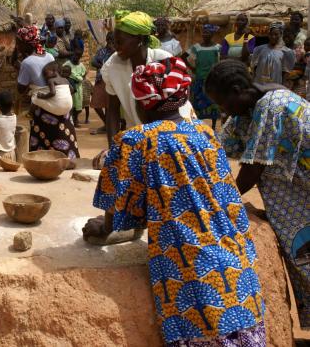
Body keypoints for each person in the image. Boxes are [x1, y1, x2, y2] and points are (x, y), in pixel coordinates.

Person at [85, 57, 266, 346]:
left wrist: (104, 227)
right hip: (240, 273)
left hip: (195, 286)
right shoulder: (206, 134)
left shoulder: (135, 141)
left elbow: (118, 200)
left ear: (143, 103)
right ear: (182, 98)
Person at [205, 59, 309, 332]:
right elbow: (215, 146)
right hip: (296, 200)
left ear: (238, 89)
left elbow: (252, 170)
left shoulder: (272, 107)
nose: (222, 110)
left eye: (222, 103)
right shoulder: (248, 110)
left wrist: (218, 201)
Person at [101, 10, 194, 147]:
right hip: (138, 135)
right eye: (115, 42)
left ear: (139, 39)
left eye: (120, 42)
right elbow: (113, 110)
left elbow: (183, 97)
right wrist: (112, 149)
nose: (116, 46)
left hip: (174, 134)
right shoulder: (112, 66)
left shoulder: (164, 60)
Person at [16, 25, 80, 159]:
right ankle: (69, 159)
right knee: (63, 136)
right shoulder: (50, 56)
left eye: (18, 42)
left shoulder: (26, 63)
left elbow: (21, 89)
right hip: (60, 100)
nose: (17, 45)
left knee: (43, 141)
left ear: (25, 43)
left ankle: (45, 166)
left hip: (44, 108)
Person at [185, 24, 222, 129]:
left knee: (213, 103)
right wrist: (192, 68)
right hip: (200, 79)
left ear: (212, 34)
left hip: (212, 80)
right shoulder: (196, 47)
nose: (205, 34)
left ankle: (214, 125)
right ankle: (198, 125)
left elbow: (222, 59)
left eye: (208, 33)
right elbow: (184, 56)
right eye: (204, 32)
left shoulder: (218, 48)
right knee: (198, 103)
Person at [90, 31, 115, 134]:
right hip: (100, 79)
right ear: (107, 40)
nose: (110, 43)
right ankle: (107, 124)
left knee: (109, 105)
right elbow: (93, 61)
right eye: (109, 40)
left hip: (112, 81)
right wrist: (102, 66)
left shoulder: (117, 52)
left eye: (112, 40)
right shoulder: (102, 51)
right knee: (96, 104)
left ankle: (109, 126)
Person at [64, 48, 86, 127]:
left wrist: (81, 79)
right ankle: (72, 121)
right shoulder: (67, 64)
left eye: (78, 56)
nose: (76, 57)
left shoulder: (81, 65)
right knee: (71, 105)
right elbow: (63, 73)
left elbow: (84, 74)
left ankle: (75, 118)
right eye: (75, 55)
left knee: (78, 107)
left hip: (78, 88)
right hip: (70, 88)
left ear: (80, 57)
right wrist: (70, 80)